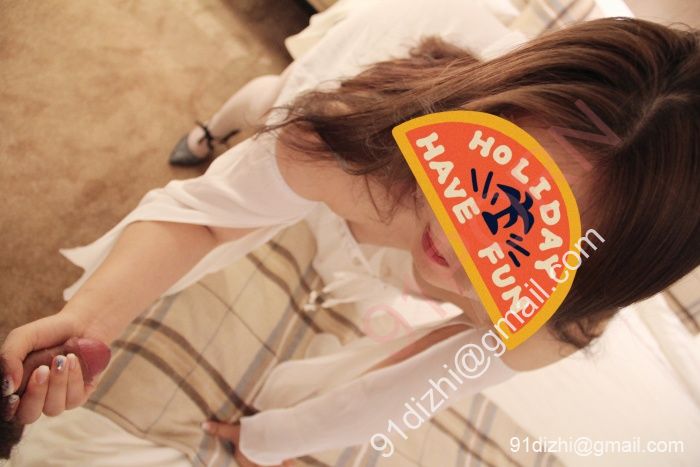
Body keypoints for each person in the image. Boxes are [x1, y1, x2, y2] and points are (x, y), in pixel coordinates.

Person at [2, 0, 699, 465]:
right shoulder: (343, 142)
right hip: (378, 119)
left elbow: (418, 376)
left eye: (513, 260)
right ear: (476, 122)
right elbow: (212, 216)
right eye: (481, 191)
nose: (460, 246)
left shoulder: (551, 327)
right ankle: (217, 124)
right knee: (270, 108)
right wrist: (87, 321)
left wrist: (271, 440)